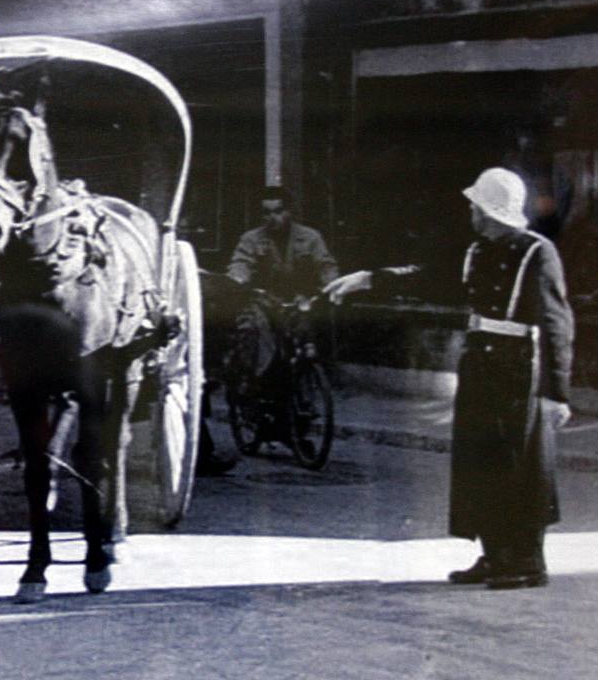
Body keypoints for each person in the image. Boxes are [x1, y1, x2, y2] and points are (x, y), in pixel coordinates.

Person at [325, 167, 574, 589]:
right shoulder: (477, 251)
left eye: (476, 206)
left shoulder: (537, 252)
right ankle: (494, 555)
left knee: (520, 466)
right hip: (480, 364)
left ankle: (528, 561)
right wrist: (370, 279)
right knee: (482, 461)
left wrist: (557, 393)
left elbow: (557, 324)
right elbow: (431, 279)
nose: (471, 213)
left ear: (492, 210)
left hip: (519, 369)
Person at [223, 186, 339, 388]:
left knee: (313, 330)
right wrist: (237, 279)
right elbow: (240, 263)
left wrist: (333, 284)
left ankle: (318, 374)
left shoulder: (310, 237)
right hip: (264, 302)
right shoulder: (251, 239)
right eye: (266, 213)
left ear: (289, 212)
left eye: (278, 211)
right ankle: (250, 380)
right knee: (252, 331)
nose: (272, 217)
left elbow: (325, 265)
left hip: (300, 299)